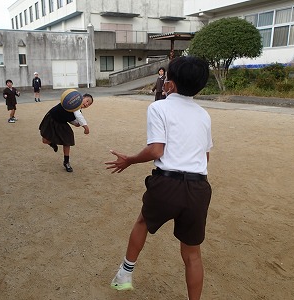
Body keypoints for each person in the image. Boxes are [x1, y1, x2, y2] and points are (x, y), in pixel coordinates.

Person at [106, 56, 212, 300]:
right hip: (198, 187)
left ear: (170, 85)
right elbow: (205, 158)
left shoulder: (159, 107)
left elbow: (156, 150)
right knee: (193, 253)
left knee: (143, 222)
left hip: (167, 183)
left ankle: (125, 274)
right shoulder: (204, 115)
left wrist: (129, 160)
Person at [39, 93, 94, 172]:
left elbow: (72, 118)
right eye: (87, 101)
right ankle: (52, 144)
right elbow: (78, 116)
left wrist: (75, 123)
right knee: (45, 141)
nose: (86, 104)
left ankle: (66, 162)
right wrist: (86, 128)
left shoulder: (77, 110)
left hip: (62, 122)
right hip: (52, 118)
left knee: (68, 140)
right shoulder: (72, 101)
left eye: (89, 104)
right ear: (82, 97)